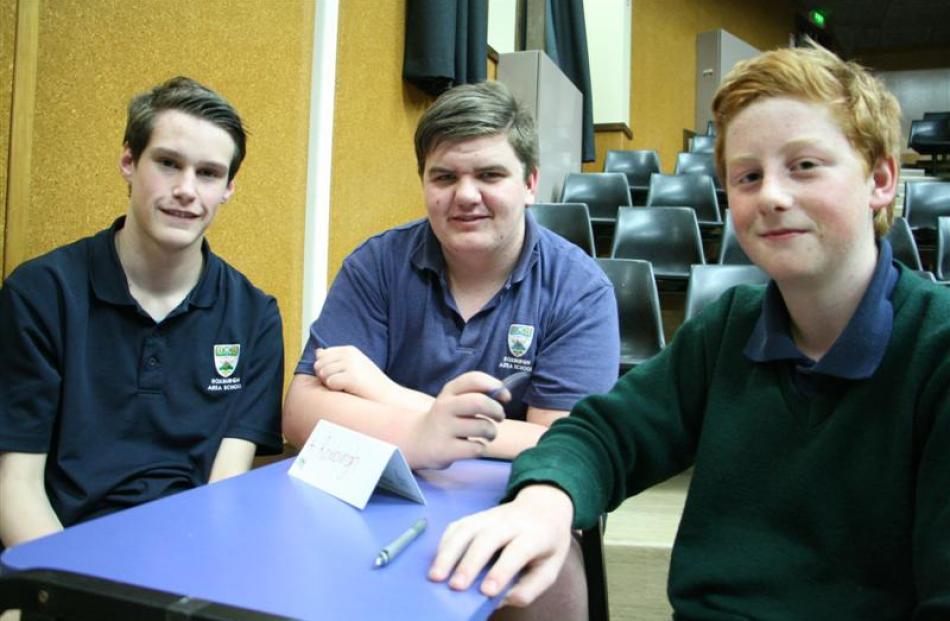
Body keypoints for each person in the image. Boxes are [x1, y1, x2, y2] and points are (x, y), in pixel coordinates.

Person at [429, 42, 950, 619]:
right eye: (748, 176)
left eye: (804, 166)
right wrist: (545, 502)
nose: (772, 196)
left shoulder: (937, 349)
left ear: (880, 179)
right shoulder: (727, 330)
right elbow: (605, 433)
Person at [0, 77, 285, 550]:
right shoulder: (40, 294)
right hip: (62, 556)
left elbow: (225, 492)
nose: (186, 190)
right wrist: (65, 587)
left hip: (190, 562)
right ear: (129, 161)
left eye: (209, 173)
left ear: (229, 188)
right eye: (168, 163)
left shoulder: (254, 316)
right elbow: (17, 484)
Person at [282, 80, 619, 470]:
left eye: (490, 175)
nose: (466, 196)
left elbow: (566, 443)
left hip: (512, 500)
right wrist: (422, 435)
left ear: (529, 184)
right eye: (444, 177)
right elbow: (301, 411)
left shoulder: (580, 290)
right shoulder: (376, 263)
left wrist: (388, 394)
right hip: (387, 487)